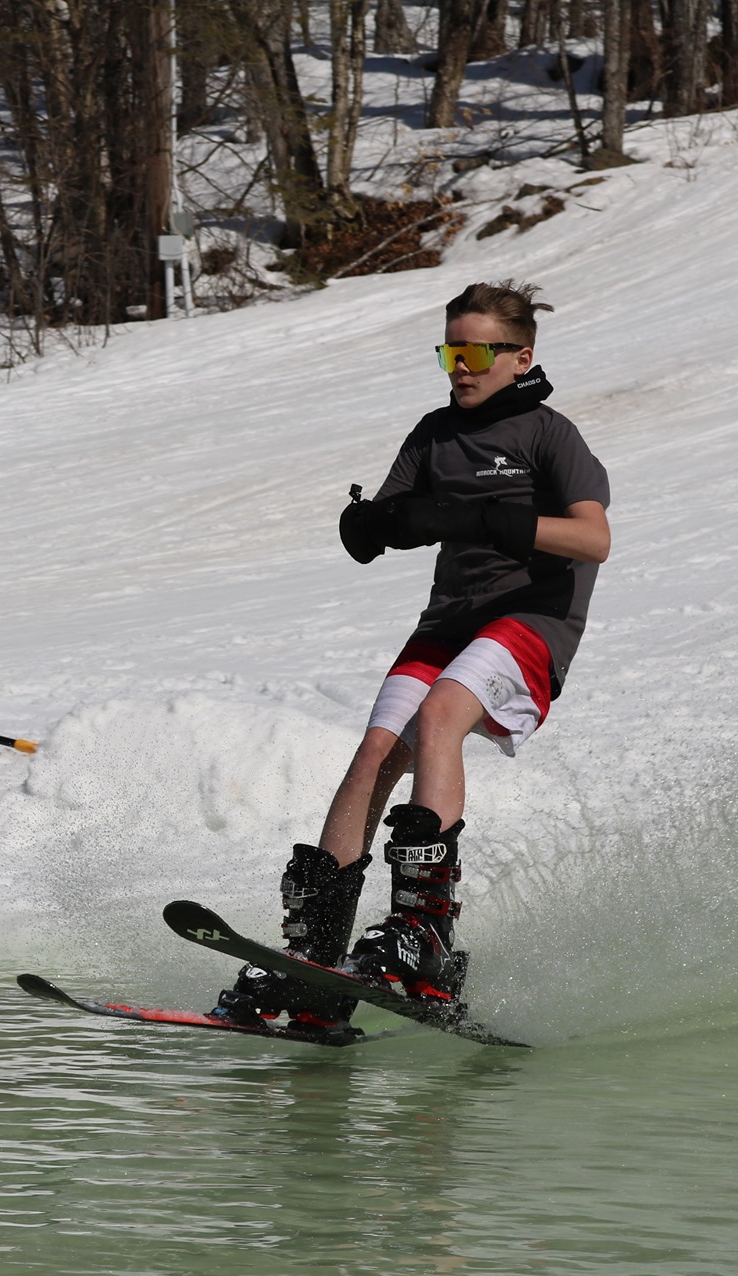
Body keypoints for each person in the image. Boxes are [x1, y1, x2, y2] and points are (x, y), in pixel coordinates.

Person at [215, 279, 612, 1028]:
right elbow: (395, 516)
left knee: (439, 717)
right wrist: (372, 526)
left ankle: (422, 938)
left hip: (533, 618)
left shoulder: (548, 434)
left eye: (476, 354)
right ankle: (317, 955)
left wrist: (490, 520)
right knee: (374, 752)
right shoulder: (433, 433)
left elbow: (594, 538)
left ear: (521, 357)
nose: (460, 368)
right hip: (450, 620)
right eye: (449, 352)